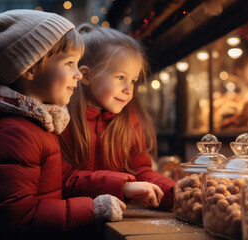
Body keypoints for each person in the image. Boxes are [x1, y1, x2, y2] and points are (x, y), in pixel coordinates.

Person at [0, 10, 153, 240]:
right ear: (29, 68)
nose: (78, 74)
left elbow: (55, 181)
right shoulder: (15, 133)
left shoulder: (36, 125)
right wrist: (93, 208)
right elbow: (19, 217)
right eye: (69, 63)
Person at [59, 24, 174, 209]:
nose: (129, 89)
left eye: (133, 80)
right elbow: (62, 178)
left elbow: (140, 170)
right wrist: (122, 186)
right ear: (86, 76)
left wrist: (174, 191)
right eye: (120, 77)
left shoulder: (129, 119)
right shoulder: (60, 120)